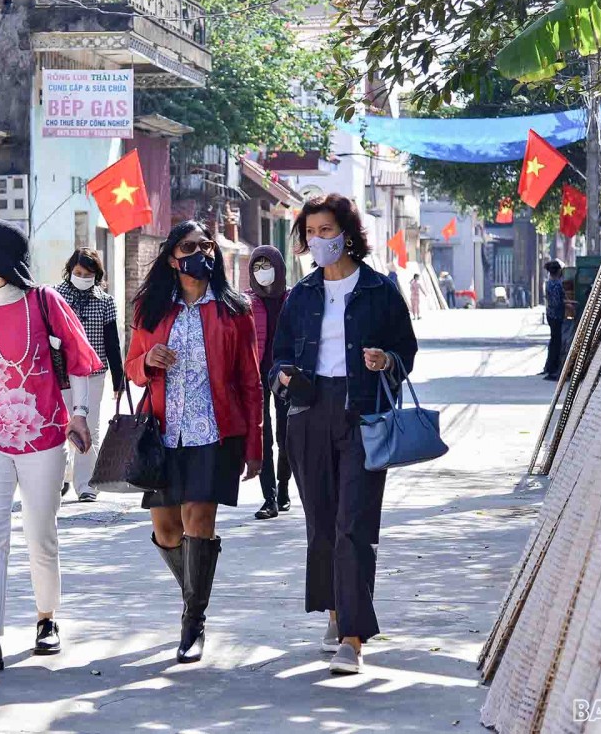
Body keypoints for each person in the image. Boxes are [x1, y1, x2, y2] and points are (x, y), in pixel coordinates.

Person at [271, 193, 418, 676]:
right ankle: (335, 613)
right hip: (309, 414)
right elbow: (276, 356)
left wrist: (387, 361)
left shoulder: (379, 290)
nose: (319, 240)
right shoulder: (302, 294)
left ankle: (353, 638)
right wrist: (284, 375)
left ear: (348, 234)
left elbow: (406, 351)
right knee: (322, 524)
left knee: (354, 523)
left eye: (327, 231)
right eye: (311, 233)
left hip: (363, 413)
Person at [0, 221, 102, 672]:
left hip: (44, 435)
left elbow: (79, 357)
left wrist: (81, 415)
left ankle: (46, 619)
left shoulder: (44, 301)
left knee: (40, 532)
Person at [125, 220, 263, 665]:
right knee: (166, 530)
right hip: (164, 434)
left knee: (199, 519)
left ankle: (193, 621)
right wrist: (147, 360)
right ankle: (193, 592)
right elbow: (130, 367)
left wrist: (256, 445)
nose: (200, 252)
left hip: (214, 432)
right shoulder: (151, 308)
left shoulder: (234, 309)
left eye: (207, 245)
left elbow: (250, 381)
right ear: (172, 256)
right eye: (190, 246)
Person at [54, 248, 126, 502]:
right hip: (61, 373)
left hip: (94, 373)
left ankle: (86, 485)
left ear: (96, 275)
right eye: (78, 272)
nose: (82, 276)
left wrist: (119, 379)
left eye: (88, 274)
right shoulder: (56, 296)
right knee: (61, 426)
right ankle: (59, 477)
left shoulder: (105, 301)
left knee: (89, 427)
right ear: (70, 271)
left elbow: (112, 343)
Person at [246, 247, 292, 520]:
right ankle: (269, 498)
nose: (262, 271)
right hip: (256, 376)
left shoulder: (294, 298)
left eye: (267, 265)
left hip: (286, 375)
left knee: (286, 437)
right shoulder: (246, 302)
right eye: (256, 266)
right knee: (263, 437)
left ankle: (284, 487)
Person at [542, 260, 564, 381]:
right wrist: (568, 303)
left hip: (551, 315)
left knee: (554, 341)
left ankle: (550, 367)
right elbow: (557, 302)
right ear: (559, 271)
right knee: (556, 342)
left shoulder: (549, 283)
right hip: (556, 316)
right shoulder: (556, 284)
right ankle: (553, 369)